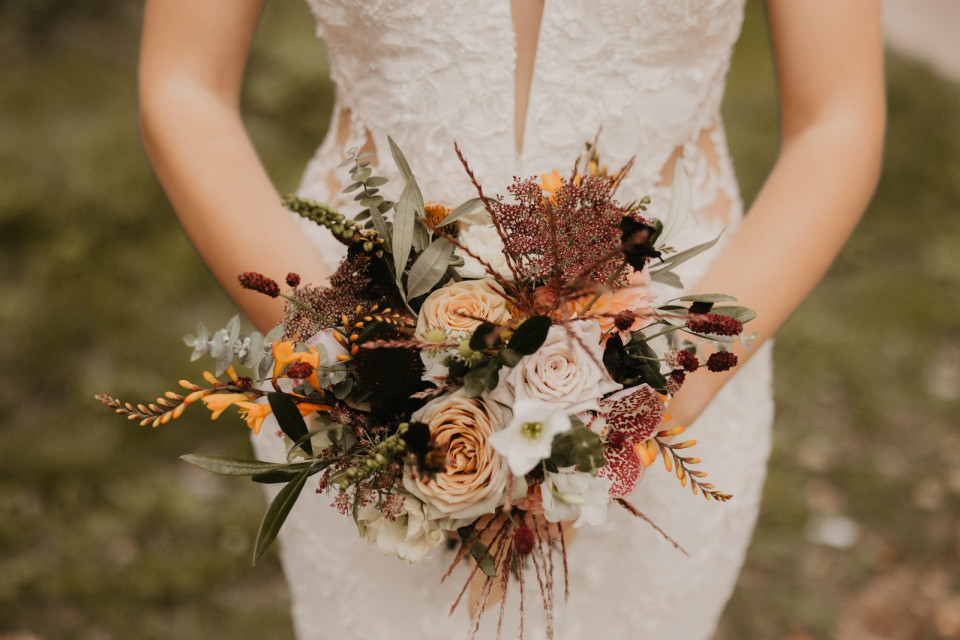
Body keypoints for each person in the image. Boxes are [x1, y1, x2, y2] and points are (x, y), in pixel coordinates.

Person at [138, 1, 885, 638]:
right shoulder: (354, 371)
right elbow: (184, 85)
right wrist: (357, 366)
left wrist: (659, 391)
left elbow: (837, 118)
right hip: (355, 383)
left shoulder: (668, 389)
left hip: (670, 386)